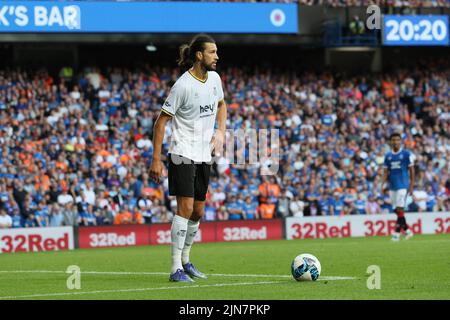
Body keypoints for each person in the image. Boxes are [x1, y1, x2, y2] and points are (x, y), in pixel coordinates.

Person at [149, 34, 226, 282]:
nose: (217, 56)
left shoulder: (214, 79)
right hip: (182, 152)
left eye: (216, 51)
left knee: (198, 211)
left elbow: (222, 105)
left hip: (204, 154)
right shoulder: (182, 86)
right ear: (199, 55)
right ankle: (174, 269)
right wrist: (156, 159)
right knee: (186, 208)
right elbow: (160, 123)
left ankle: (186, 260)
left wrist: (221, 131)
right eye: (212, 52)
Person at [381, 132, 415, 241]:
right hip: (392, 186)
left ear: (400, 141)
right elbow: (386, 171)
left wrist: (411, 185)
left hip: (403, 185)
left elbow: (411, 170)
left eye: (397, 140)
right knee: (397, 210)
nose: (395, 142)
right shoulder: (388, 156)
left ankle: (396, 234)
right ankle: (407, 230)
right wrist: (382, 184)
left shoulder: (406, 154)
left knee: (400, 208)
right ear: (390, 142)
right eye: (393, 140)